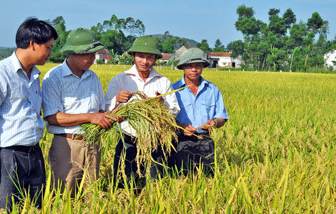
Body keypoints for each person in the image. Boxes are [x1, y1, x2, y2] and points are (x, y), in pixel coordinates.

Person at [0, 18, 58, 212]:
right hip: (7, 156)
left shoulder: (35, 75)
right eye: (48, 47)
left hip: (34, 153)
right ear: (32, 44)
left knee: (36, 213)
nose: (50, 53)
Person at [42, 28, 116, 196]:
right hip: (67, 145)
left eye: (94, 54)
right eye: (87, 54)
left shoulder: (93, 77)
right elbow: (53, 118)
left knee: (91, 195)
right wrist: (90, 117)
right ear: (72, 54)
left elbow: (100, 110)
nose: (92, 58)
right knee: (63, 196)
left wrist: (114, 113)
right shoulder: (54, 77)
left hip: (92, 144)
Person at [104, 36, 179, 188]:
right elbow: (105, 109)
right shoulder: (120, 80)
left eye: (150, 57)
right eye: (141, 56)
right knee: (123, 186)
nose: (145, 61)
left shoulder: (163, 82)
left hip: (155, 143)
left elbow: (174, 110)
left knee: (155, 187)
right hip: (128, 142)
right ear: (133, 56)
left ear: (156, 58)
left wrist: (161, 105)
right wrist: (117, 99)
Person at [169, 48, 229, 176]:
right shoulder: (172, 90)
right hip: (180, 142)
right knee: (181, 181)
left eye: (198, 66)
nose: (194, 69)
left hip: (205, 142)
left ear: (203, 67)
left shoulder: (213, 90)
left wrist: (214, 122)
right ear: (183, 67)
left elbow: (221, 118)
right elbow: (165, 119)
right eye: (189, 66)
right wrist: (180, 126)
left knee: (207, 181)